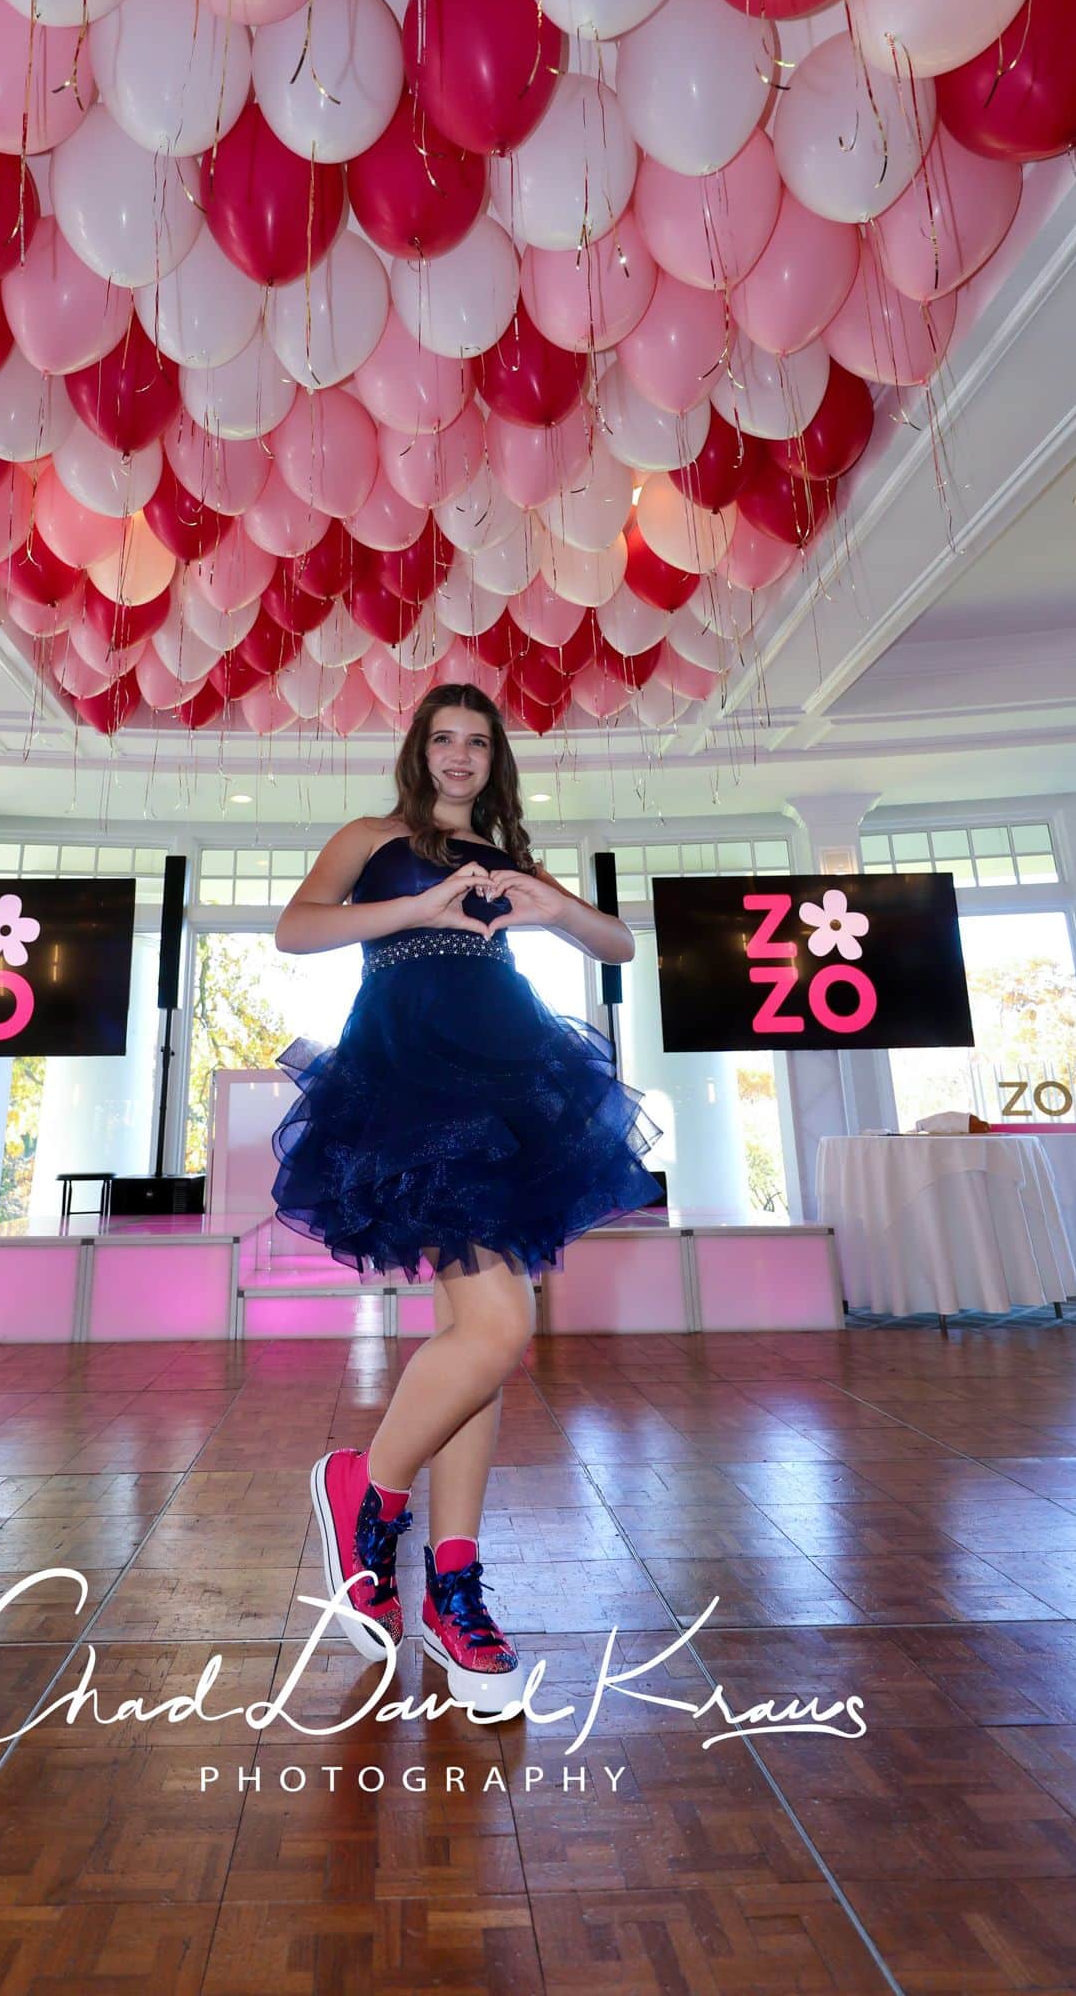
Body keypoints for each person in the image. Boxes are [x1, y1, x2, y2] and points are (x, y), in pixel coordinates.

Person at [271, 682, 663, 1712]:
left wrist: (555, 906)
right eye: (442, 738)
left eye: (476, 741)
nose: (458, 754)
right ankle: (367, 1488)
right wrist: (421, 905)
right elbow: (296, 929)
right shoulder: (372, 835)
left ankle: (451, 1585)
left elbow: (618, 946)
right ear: (419, 749)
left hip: (509, 1080)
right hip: (410, 1080)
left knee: (475, 1344)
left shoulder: (508, 856)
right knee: (494, 1331)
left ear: (494, 759)